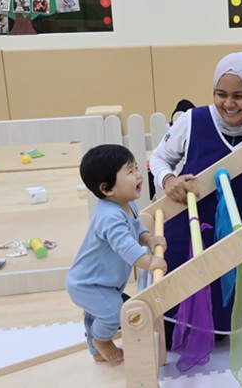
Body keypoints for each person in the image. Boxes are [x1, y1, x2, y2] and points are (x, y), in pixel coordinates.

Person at [149, 51, 242, 345]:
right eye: (221, 94)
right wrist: (169, 180)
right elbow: (159, 158)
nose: (228, 104)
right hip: (186, 233)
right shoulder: (193, 120)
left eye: (239, 96)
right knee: (172, 322)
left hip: (237, 242)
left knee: (220, 328)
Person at [66, 144, 168, 363]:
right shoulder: (109, 216)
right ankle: (101, 341)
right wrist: (150, 262)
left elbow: (136, 227)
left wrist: (148, 239)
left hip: (101, 282)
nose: (139, 175)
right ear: (107, 189)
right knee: (114, 314)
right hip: (88, 284)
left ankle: (96, 351)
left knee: (101, 312)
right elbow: (126, 247)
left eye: (136, 167)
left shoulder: (126, 204)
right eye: (130, 172)